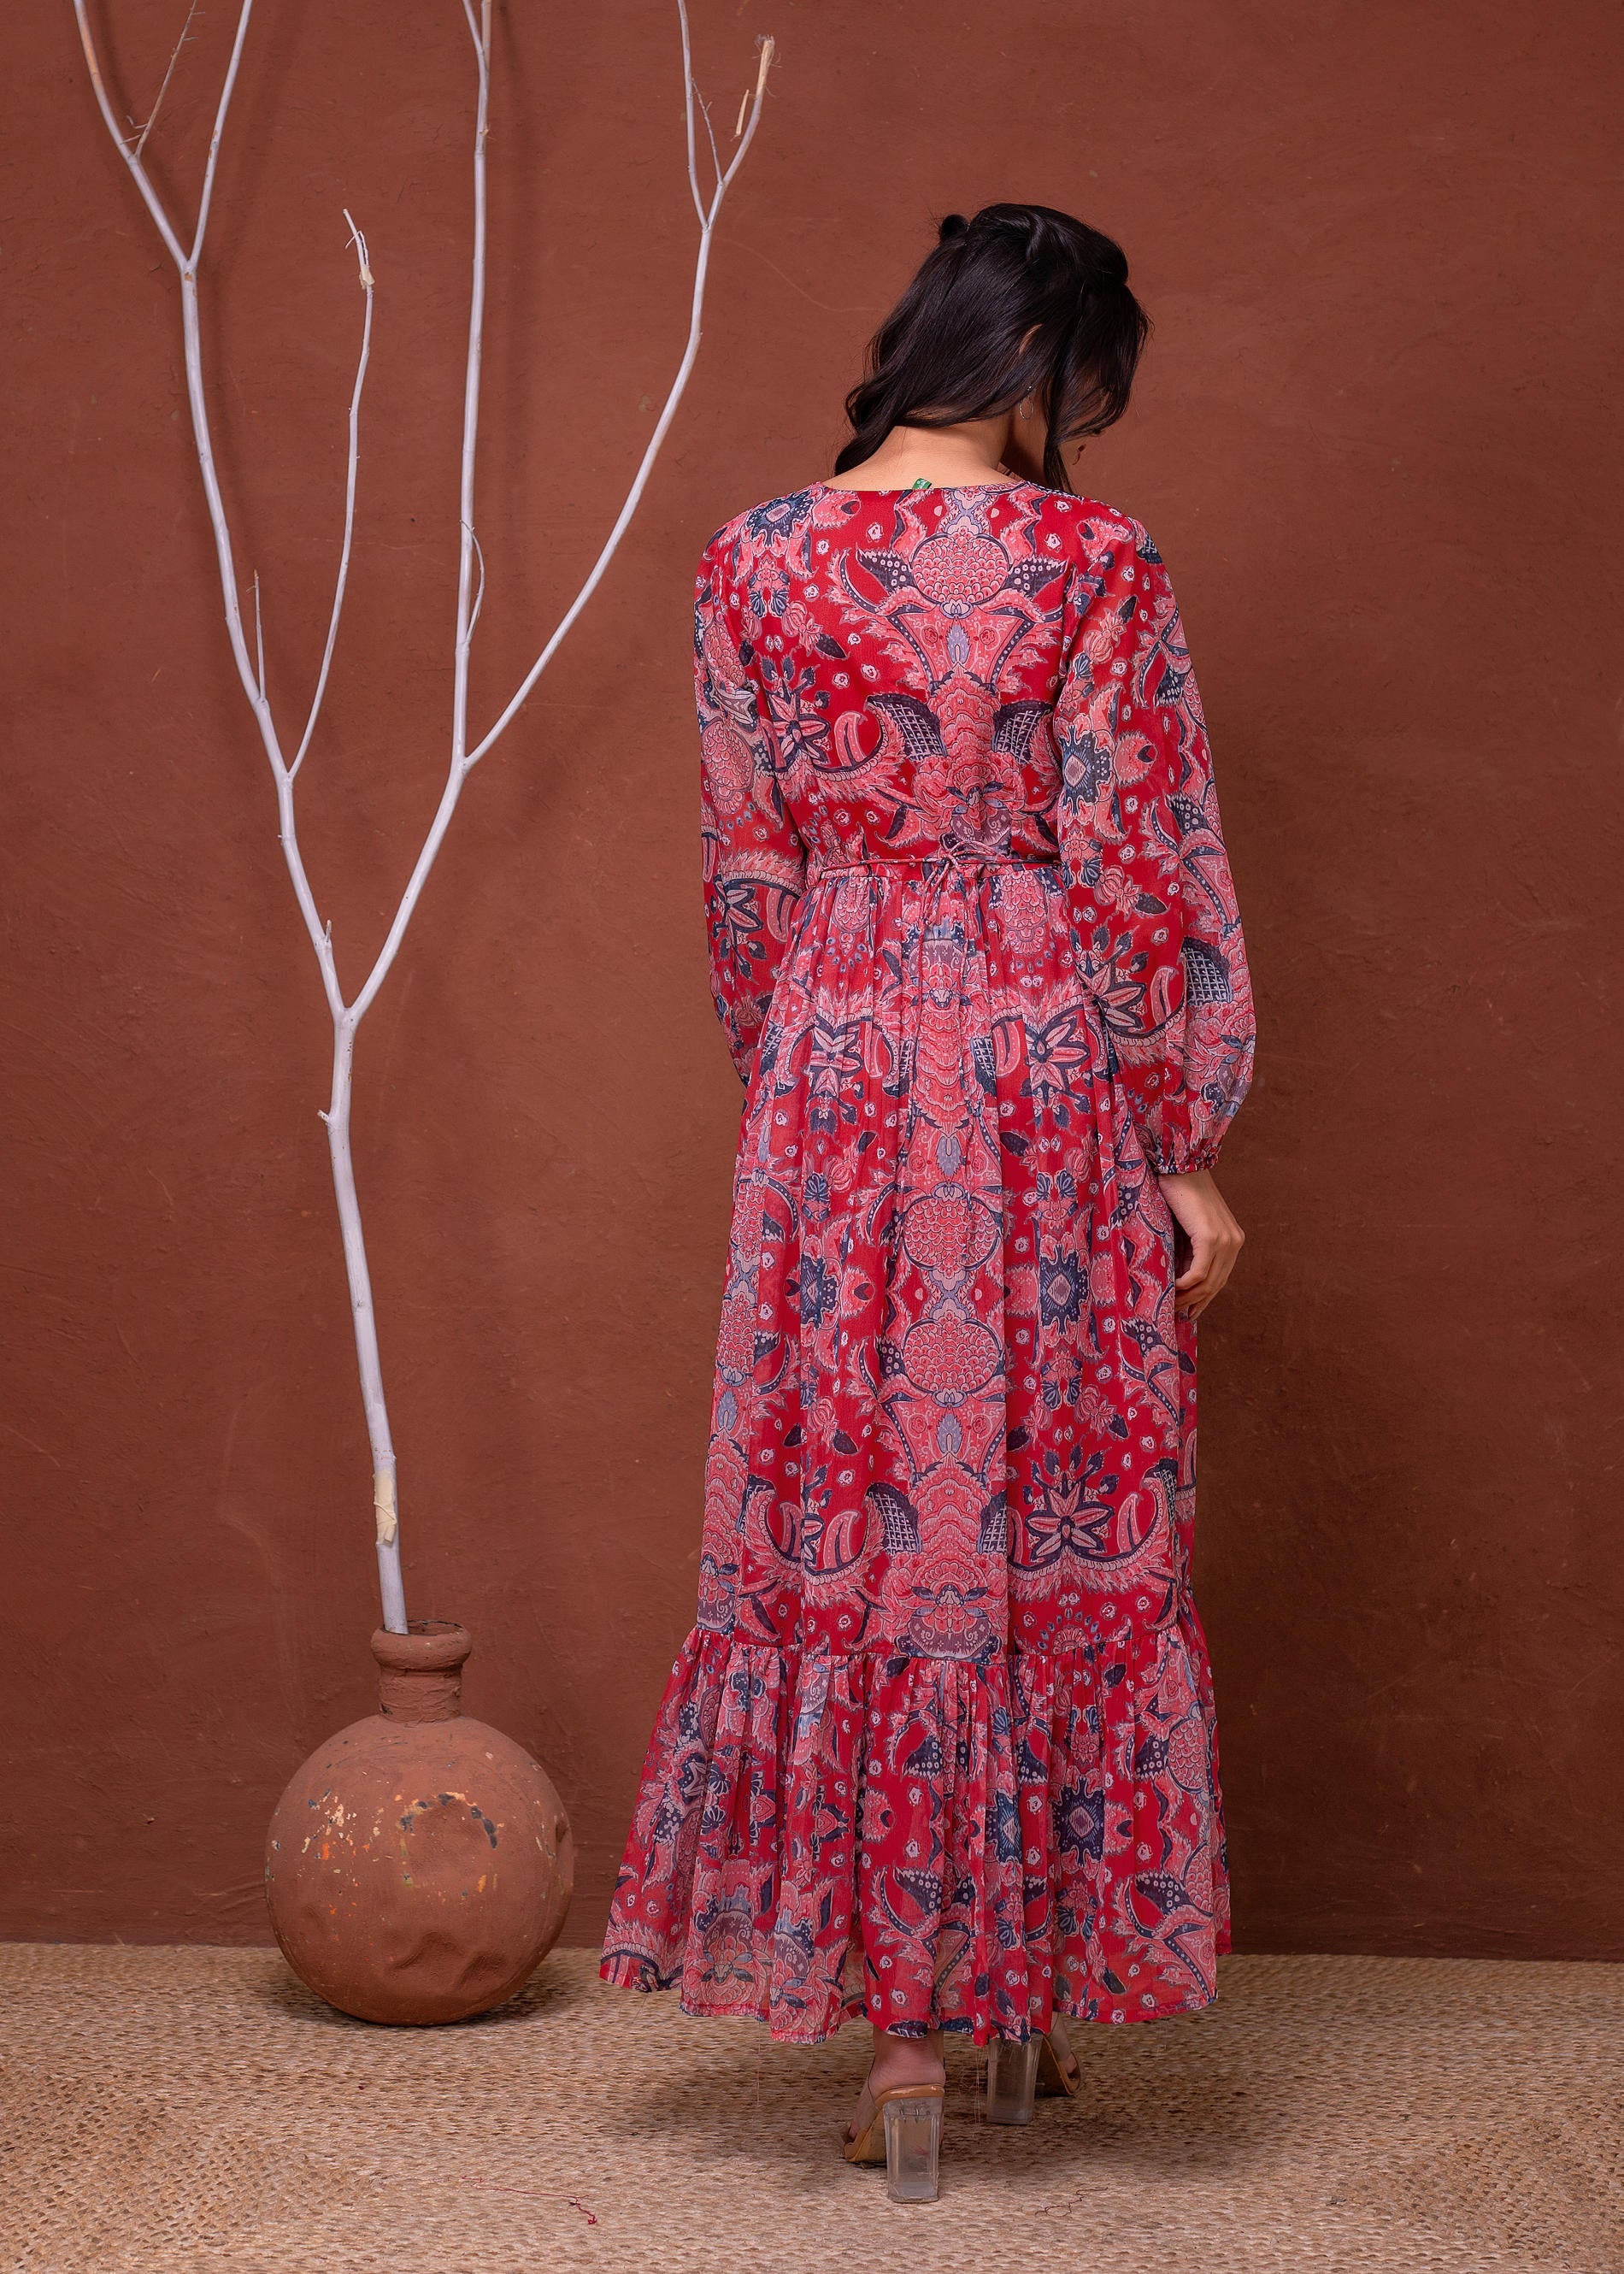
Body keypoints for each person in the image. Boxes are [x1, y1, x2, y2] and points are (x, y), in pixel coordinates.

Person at [600, 202, 1256, 2200]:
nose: (1084, 430)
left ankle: (892, 2032)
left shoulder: (749, 557)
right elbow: (1137, 860)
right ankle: (1013, 1992)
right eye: (1085, 388)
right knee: (1042, 1507)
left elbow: (743, 870)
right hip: (1045, 1062)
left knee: (852, 1507)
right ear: (1040, 358)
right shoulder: (1095, 560)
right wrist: (1177, 1137)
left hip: (832, 1068)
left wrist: (805, 1079)